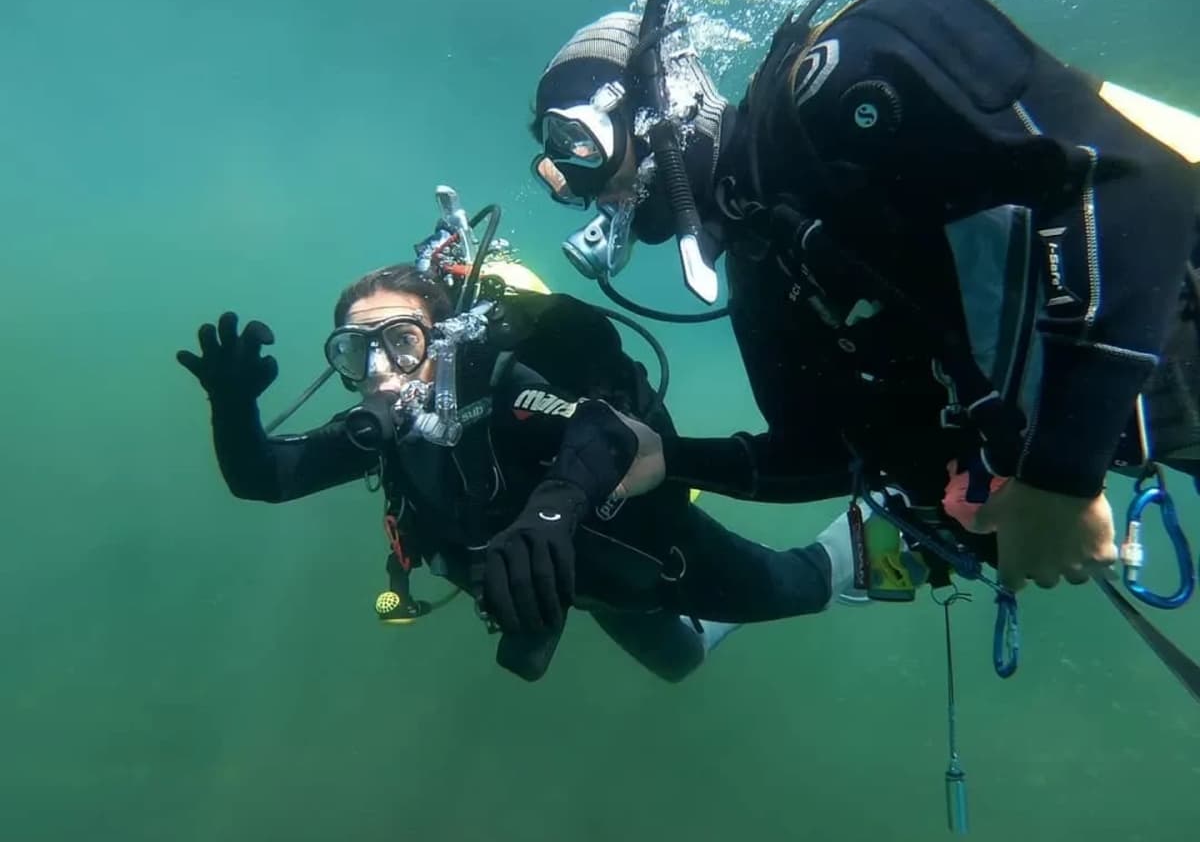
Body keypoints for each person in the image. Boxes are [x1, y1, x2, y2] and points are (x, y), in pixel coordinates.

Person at [525, 0, 1200, 601]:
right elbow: (834, 455)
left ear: (656, 106)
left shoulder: (847, 74)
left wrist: (1061, 476)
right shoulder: (764, 271)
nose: (583, 189)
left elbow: (1142, 184)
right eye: (556, 166)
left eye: (577, 142)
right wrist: (668, 457)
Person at [177, 192, 869, 681]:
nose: (381, 370)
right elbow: (264, 477)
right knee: (681, 663)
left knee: (793, 587)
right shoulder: (379, 430)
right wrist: (232, 407)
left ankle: (871, 526)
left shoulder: (501, 378)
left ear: (445, 342)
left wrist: (552, 512)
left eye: (400, 340)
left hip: (650, 549)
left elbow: (607, 426)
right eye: (357, 353)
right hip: (580, 586)